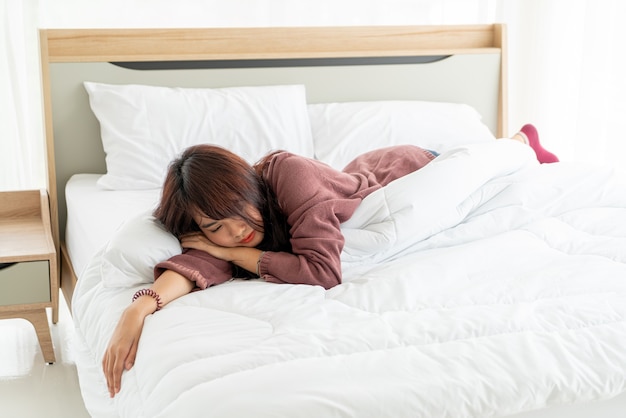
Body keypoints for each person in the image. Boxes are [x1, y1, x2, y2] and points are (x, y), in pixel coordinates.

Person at [102, 124, 558, 398]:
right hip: (339, 188)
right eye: (215, 228)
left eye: (237, 210)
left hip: (403, 172)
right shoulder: (221, 234)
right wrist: (139, 306)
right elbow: (199, 265)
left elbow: (322, 272)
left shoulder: (288, 174)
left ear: (247, 184)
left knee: (483, 161)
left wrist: (232, 250)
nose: (236, 230)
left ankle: (521, 139)